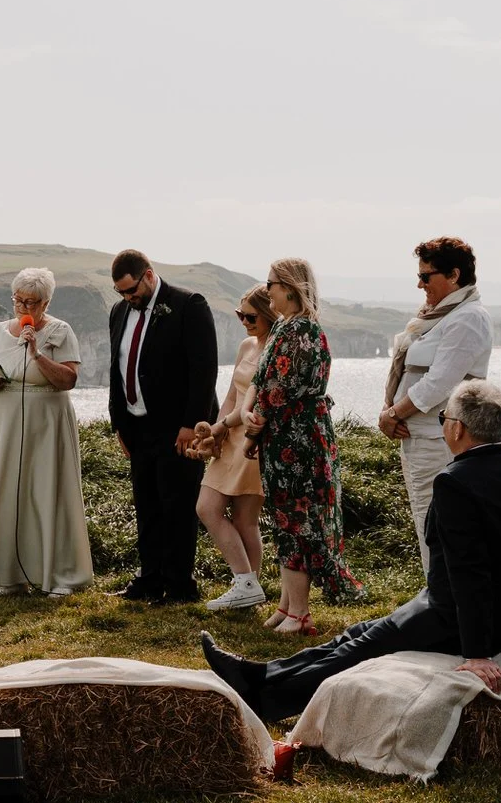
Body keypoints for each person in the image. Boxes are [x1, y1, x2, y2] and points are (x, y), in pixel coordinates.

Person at [201, 380, 501, 721]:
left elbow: (467, 570)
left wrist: (477, 652)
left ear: (459, 428)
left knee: (357, 649)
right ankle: (259, 674)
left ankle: (264, 699)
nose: (442, 426)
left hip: (455, 618)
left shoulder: (456, 482)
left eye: (444, 418)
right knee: (357, 633)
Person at [243, 258, 357, 633]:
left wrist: (255, 424)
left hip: (299, 437)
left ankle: (300, 613)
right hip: (282, 435)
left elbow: (282, 389)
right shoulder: (285, 328)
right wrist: (253, 421)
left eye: (272, 282)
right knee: (285, 518)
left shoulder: (303, 331)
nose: (268, 289)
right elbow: (263, 383)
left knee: (297, 519)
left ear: (290, 288)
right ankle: (287, 605)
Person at [0, 268, 94, 596]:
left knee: (48, 491)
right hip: (5, 420)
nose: (22, 308)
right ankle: (9, 575)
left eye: (30, 303)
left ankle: (61, 574)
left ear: (46, 302)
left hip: (47, 421)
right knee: (7, 491)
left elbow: (69, 380)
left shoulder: (60, 331)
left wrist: (36, 354)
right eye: (17, 300)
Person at [106, 248, 218, 603]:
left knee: (178, 505)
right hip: (137, 429)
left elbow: (204, 369)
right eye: (121, 292)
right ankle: (149, 578)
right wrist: (119, 425)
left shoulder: (189, 305)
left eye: (131, 290)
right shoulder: (119, 312)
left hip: (177, 429)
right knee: (147, 505)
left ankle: (180, 585)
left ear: (149, 275)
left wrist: (191, 424)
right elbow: (117, 368)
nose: (127, 297)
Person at [377, 235, 493, 568]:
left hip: (440, 438)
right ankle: (440, 597)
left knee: (439, 522)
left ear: (454, 275)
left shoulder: (468, 318)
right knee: (426, 518)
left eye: (426, 276)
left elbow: (440, 382)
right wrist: (390, 411)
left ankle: (447, 603)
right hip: (419, 435)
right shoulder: (438, 315)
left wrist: (392, 414)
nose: (419, 284)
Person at [190, 285, 272, 612]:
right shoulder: (247, 345)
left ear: (269, 313)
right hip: (231, 437)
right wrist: (216, 431)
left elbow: (254, 406)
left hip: (254, 440)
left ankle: (246, 591)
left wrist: (223, 427)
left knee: (245, 520)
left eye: (250, 316)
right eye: (241, 315)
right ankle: (247, 584)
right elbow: (231, 396)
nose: (244, 321)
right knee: (207, 507)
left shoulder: (274, 350)